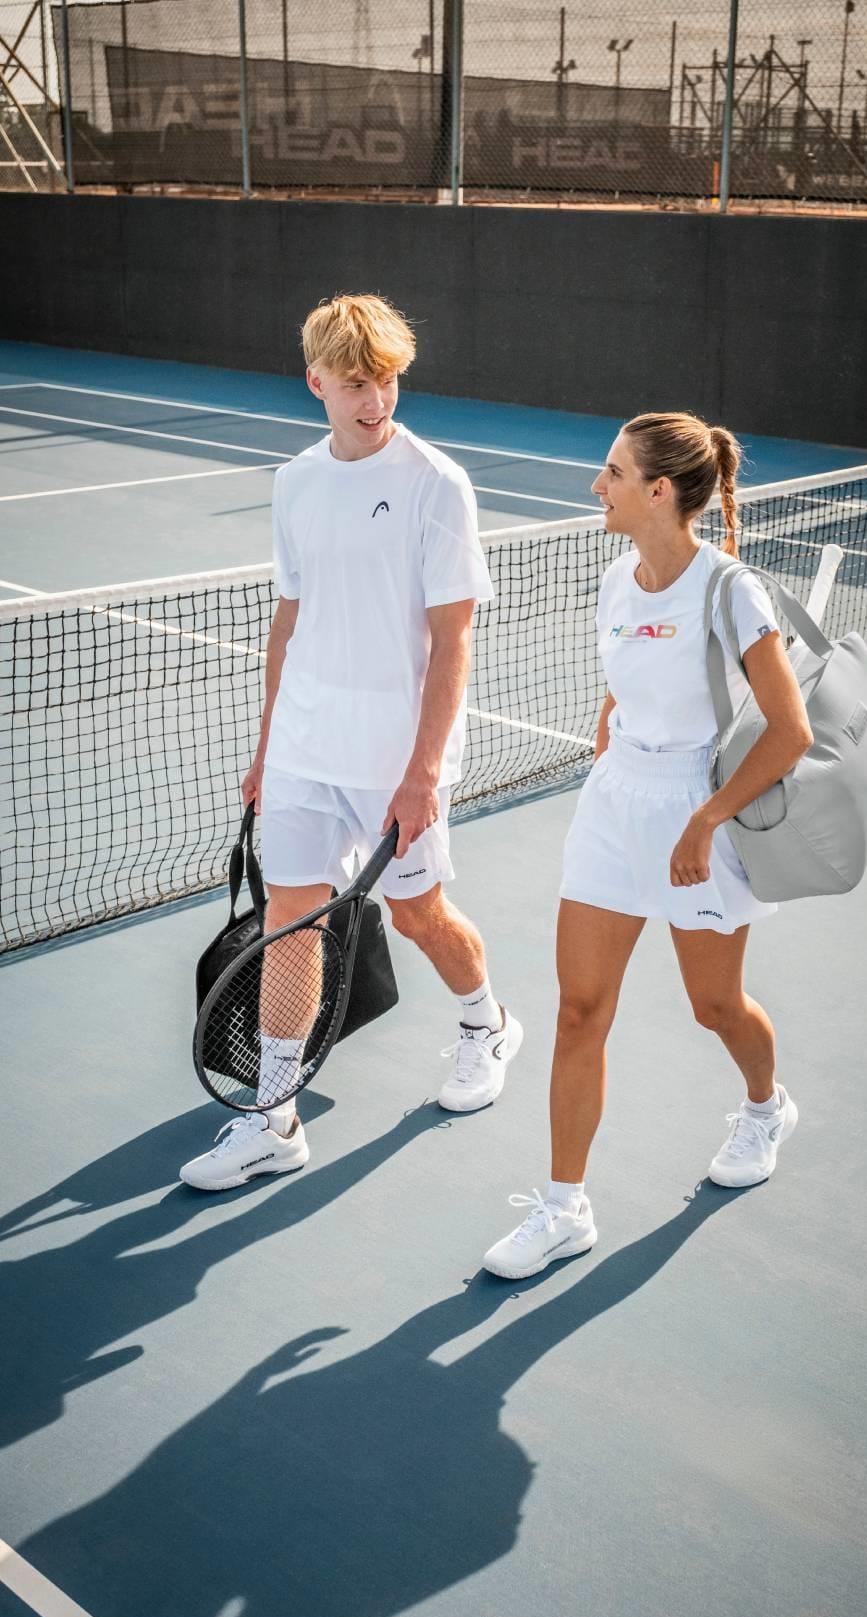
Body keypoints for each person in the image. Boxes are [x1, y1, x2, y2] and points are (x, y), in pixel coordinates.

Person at [181, 294, 521, 1191]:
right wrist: (264, 749)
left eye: (392, 380)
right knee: (292, 924)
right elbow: (287, 622)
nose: (379, 401)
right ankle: (274, 1117)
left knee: (418, 916)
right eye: (361, 384)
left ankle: (486, 1023)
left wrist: (422, 772)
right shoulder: (294, 481)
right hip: (301, 749)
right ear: (318, 383)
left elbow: (454, 639)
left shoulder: (436, 484)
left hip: (390, 762)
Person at [483, 411, 813, 1278]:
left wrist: (703, 822)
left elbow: (789, 731)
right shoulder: (614, 579)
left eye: (614, 473)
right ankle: (563, 1208)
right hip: (613, 805)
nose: (599, 485)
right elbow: (621, 680)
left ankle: (764, 1105)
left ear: (660, 491)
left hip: (698, 810)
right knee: (580, 1010)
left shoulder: (730, 589)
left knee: (715, 1006)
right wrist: (610, 746)